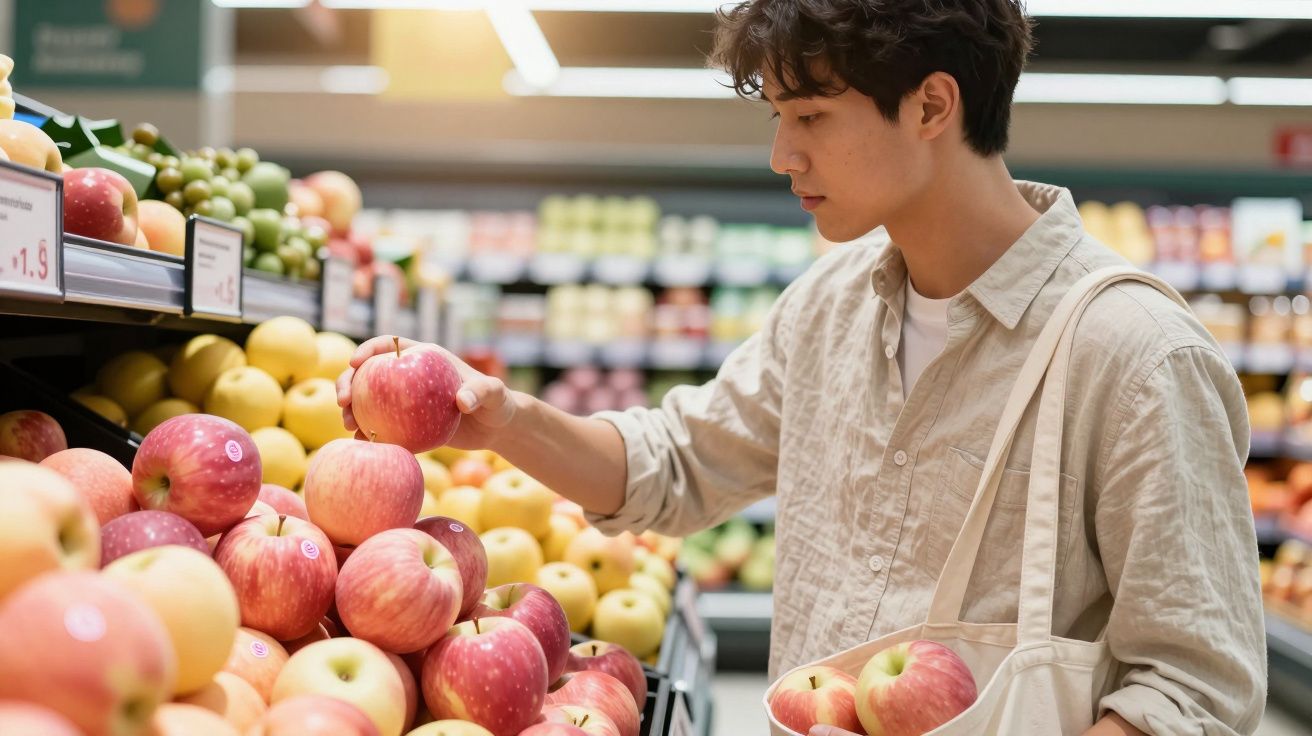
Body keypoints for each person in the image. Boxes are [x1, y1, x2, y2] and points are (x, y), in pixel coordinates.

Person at [337, 1, 1266, 733]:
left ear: (933, 105)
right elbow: (673, 467)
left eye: (811, 116)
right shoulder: (828, 308)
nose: (783, 154)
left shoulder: (1137, 354)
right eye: (780, 117)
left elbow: (1193, 691)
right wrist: (497, 421)